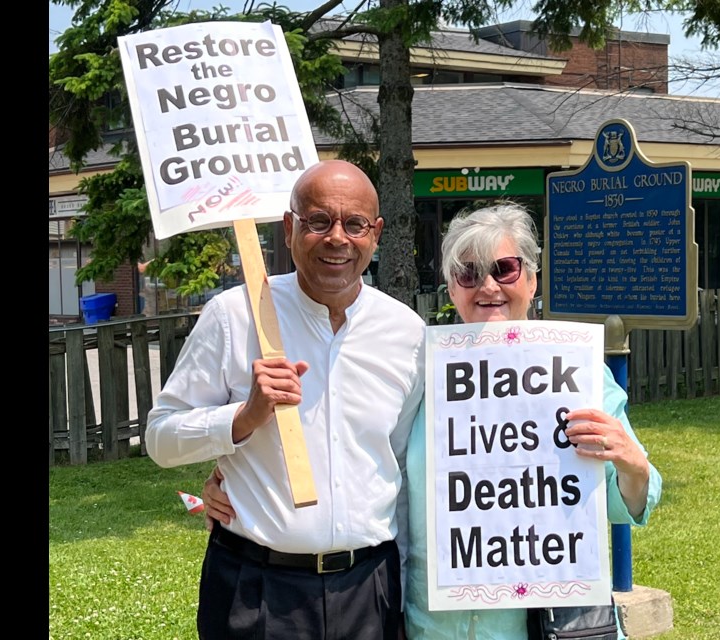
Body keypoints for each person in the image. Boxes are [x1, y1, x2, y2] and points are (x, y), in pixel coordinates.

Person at [203, 202, 662, 640]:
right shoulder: (423, 367)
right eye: (468, 273)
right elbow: (365, 459)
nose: (488, 287)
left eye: (504, 269)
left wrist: (631, 463)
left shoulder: (576, 373)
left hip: (548, 622)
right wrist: (246, 480)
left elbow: (625, 503)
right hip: (434, 623)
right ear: (451, 286)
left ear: (532, 280)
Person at [145, 159, 426, 640]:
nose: (337, 238)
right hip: (257, 591)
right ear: (290, 227)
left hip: (369, 589)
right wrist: (243, 417)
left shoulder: (406, 333)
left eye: (354, 224)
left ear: (376, 234)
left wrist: (401, 593)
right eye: (319, 221)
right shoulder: (235, 315)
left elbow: (398, 466)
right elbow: (160, 438)